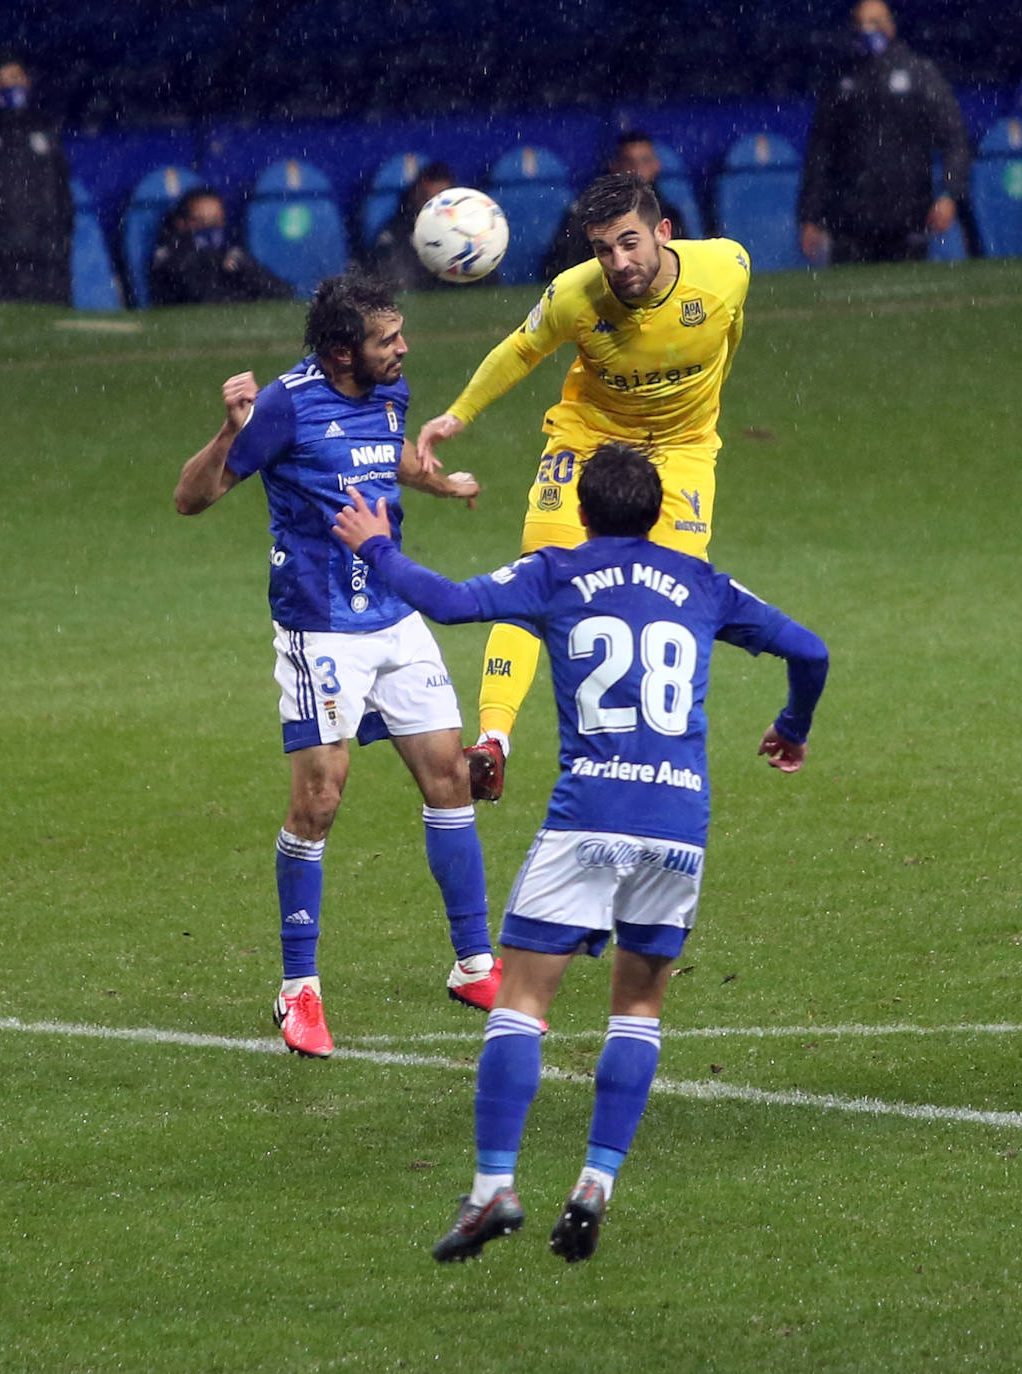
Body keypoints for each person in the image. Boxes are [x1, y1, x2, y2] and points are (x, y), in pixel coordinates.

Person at [332, 442, 828, 1262]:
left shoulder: (555, 571)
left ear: (586, 511)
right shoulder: (705, 583)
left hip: (588, 817)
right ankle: (596, 1180)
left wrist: (377, 546)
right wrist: (793, 727)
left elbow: (451, 603)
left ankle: (494, 1189)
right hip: (677, 825)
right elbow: (811, 651)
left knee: (521, 1004)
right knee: (637, 1008)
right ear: (659, 510)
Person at [173, 268, 501, 1058]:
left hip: (395, 612)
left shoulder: (389, 392)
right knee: (320, 799)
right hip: (320, 627)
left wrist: (440, 481)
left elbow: (386, 458)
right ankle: (298, 992)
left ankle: (475, 964)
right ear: (339, 352)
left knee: (450, 776)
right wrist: (227, 432)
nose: (403, 349)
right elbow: (192, 498)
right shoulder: (284, 404)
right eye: (387, 340)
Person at [415, 171, 750, 804]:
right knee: (537, 578)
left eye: (630, 243)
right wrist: (459, 414)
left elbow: (728, 335)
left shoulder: (727, 269)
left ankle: (650, 757)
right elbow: (521, 348)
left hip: (680, 452)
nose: (618, 262)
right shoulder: (576, 295)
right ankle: (492, 743)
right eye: (603, 249)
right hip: (588, 440)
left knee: (671, 600)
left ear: (663, 233)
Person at [798, 0, 971, 265]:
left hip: (908, 219)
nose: (868, 30)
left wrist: (950, 193)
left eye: (875, 23)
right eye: (861, 24)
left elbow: (954, 138)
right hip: (849, 224)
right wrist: (810, 216)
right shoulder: (840, 80)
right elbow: (819, 152)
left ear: (890, 25)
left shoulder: (919, 73)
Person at [542, 131, 688, 278]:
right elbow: (563, 268)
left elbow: (680, 261)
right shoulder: (587, 215)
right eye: (629, 162)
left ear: (656, 165)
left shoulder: (669, 213)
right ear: (615, 166)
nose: (637, 169)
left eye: (645, 160)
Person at [0, 52, 74, 304]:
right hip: (5, 250)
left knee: (54, 317)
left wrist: (63, 230)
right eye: (2, 80)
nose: (10, 86)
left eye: (15, 77)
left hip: (48, 244)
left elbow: (61, 184)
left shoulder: (44, 126)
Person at [150, 187, 293, 306]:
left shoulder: (229, 255)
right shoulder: (168, 259)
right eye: (200, 221)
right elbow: (202, 298)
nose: (209, 227)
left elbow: (283, 292)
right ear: (181, 223)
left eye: (215, 220)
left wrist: (245, 271)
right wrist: (216, 264)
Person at [370, 160, 457, 291]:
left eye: (443, 202)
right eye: (427, 199)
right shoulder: (396, 233)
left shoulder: (464, 230)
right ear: (416, 194)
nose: (435, 208)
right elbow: (393, 279)